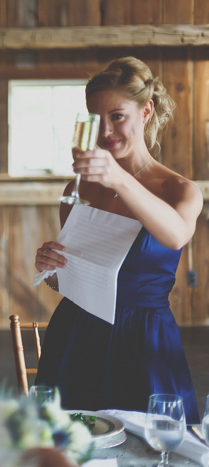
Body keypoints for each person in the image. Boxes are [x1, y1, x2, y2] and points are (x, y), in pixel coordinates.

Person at [34, 57, 202, 423]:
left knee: (153, 446)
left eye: (117, 116)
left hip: (143, 339)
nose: (105, 131)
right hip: (77, 333)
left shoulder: (181, 190)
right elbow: (69, 280)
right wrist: (51, 270)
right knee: (70, 444)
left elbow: (175, 236)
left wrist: (120, 180)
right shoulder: (77, 189)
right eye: (96, 119)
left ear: (146, 112)